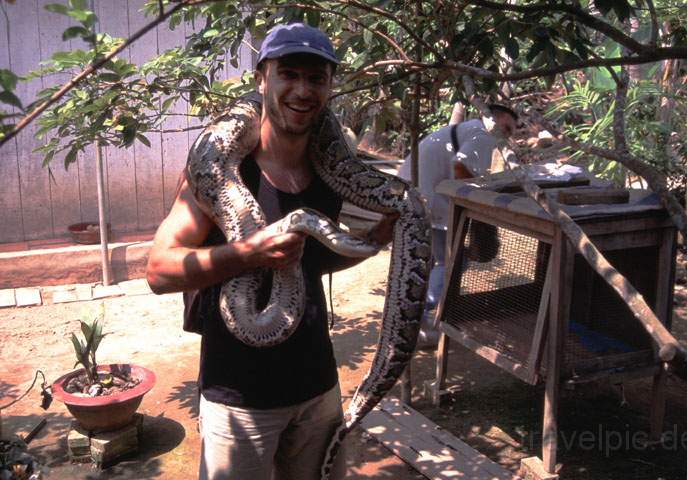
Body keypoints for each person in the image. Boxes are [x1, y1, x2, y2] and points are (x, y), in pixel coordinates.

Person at [146, 23, 395, 480]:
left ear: (329, 86)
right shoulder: (216, 172)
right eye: (289, 74)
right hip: (239, 401)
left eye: (316, 78)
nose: (303, 90)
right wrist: (247, 255)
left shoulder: (329, 171)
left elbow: (313, 264)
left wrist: (372, 242)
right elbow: (159, 272)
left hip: (317, 386)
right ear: (263, 79)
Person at [397, 104, 519, 346]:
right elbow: (461, 168)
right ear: (493, 121)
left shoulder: (469, 129)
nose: (507, 135)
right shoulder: (483, 135)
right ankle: (419, 318)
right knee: (450, 262)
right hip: (424, 200)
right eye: (506, 128)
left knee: (430, 262)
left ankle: (414, 321)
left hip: (411, 193)